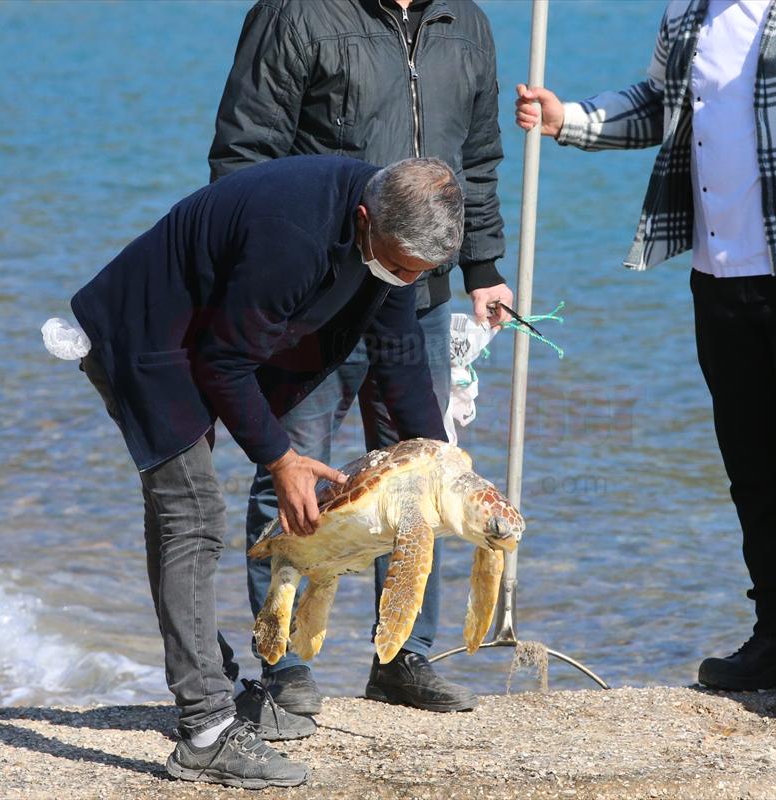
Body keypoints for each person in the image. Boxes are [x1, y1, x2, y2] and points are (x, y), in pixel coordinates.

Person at [516, 0, 776, 707]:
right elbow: (661, 102)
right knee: (749, 462)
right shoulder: (689, 9)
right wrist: (565, 118)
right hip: (721, 273)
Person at [71, 155, 459, 786]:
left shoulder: (388, 235)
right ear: (365, 221)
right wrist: (280, 459)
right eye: (400, 264)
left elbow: (401, 358)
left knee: (181, 519)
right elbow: (223, 361)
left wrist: (438, 464)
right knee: (191, 515)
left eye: (419, 272)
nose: (405, 277)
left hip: (208, 337)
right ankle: (206, 729)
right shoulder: (295, 234)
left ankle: (215, 682)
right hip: (148, 337)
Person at [209, 0, 511, 714]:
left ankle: (403, 657)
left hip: (421, 289)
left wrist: (484, 263)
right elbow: (244, 154)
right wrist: (267, 274)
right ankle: (280, 664)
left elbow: (479, 156)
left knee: (429, 469)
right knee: (292, 465)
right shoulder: (297, 14)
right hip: (316, 292)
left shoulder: (464, 21)